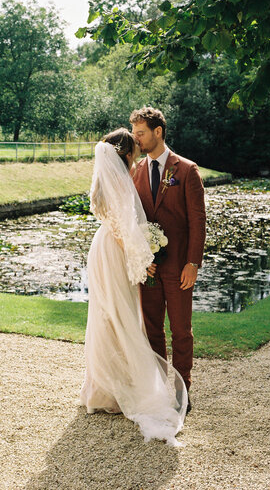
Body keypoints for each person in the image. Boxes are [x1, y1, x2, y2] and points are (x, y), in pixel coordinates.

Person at [80, 128, 188, 446]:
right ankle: (118, 391)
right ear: (125, 154)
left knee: (105, 315)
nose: (137, 159)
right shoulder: (120, 182)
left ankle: (99, 390)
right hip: (114, 251)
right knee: (122, 315)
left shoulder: (102, 182)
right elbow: (120, 228)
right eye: (135, 154)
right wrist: (142, 256)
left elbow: (111, 222)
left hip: (99, 249)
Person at [130, 108, 206, 412]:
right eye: (134, 133)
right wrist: (138, 258)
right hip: (147, 268)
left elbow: (197, 221)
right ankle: (159, 387)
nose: (136, 139)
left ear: (158, 132)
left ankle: (182, 390)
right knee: (151, 329)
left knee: (181, 330)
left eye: (141, 133)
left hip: (179, 267)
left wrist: (193, 263)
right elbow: (133, 219)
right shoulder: (135, 170)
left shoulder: (186, 170)